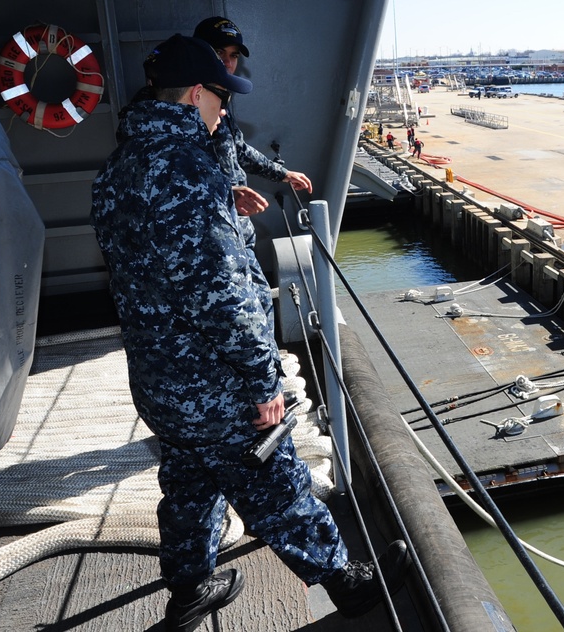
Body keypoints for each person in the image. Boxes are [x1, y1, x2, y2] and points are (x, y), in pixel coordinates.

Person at [89, 35, 408, 631]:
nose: (223, 110)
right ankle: (348, 582)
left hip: (160, 380)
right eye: (218, 97)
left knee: (188, 489)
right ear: (193, 95)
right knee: (273, 481)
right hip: (213, 381)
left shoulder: (120, 168)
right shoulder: (185, 170)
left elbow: (150, 262)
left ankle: (190, 591)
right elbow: (219, 297)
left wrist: (219, 203)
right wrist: (264, 379)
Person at [192, 17, 313, 225]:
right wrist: (228, 193)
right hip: (207, 227)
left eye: (233, 55)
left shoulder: (219, 101)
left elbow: (237, 150)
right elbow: (176, 181)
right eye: (220, 52)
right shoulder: (178, 107)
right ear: (198, 53)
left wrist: (283, 174)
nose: (228, 63)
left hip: (233, 222)